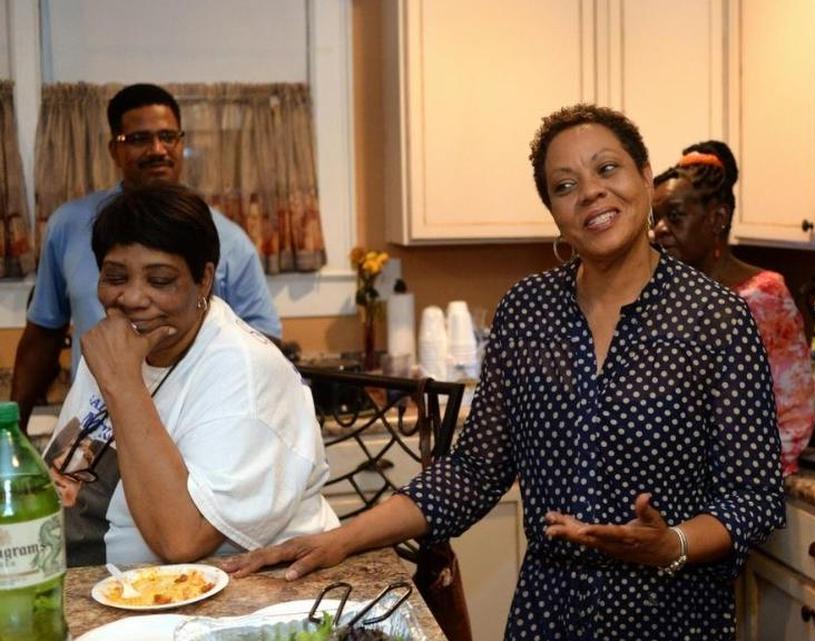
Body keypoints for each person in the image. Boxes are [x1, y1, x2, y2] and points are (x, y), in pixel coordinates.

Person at [221, 104, 786, 640]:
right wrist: (339, 539)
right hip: (548, 612)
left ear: (643, 176)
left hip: (671, 614)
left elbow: (754, 496)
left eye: (607, 168)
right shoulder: (527, 311)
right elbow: (474, 471)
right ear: (555, 214)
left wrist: (674, 544)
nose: (590, 191)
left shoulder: (716, 318)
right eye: (564, 186)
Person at [42, 183, 337, 567]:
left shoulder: (244, 371)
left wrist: (123, 383)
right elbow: (63, 475)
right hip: (92, 580)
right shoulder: (117, 344)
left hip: (243, 597)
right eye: (115, 278)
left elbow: (181, 540)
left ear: (204, 280)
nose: (132, 298)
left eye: (160, 280)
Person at [11, 83, 281, 432]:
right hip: (96, 421)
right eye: (139, 139)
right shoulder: (69, 225)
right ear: (114, 149)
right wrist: (11, 435)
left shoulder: (227, 238)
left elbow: (264, 343)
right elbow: (43, 336)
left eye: (168, 137)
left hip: (189, 424)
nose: (158, 150)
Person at [652, 140, 815, 476]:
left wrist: (742, 490)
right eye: (655, 219)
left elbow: (795, 415)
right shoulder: (664, 294)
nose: (659, 230)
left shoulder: (763, 296)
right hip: (670, 495)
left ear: (717, 218)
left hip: (734, 504)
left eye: (675, 216)